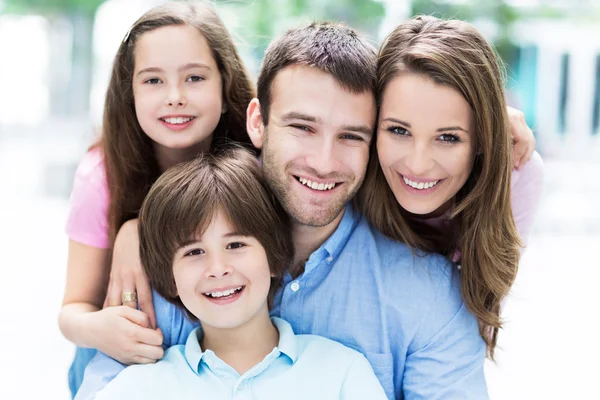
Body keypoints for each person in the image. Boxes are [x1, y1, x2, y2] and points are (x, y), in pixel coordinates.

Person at [78, 20, 493, 400]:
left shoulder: (425, 297)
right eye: (302, 127)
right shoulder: (171, 262)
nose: (324, 161)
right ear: (257, 122)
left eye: (351, 136)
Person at [58, 2, 256, 396]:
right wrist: (102, 329)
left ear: (224, 82)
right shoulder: (103, 175)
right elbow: (71, 312)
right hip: (121, 369)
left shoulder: (255, 161)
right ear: (129, 92)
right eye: (153, 81)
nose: (175, 97)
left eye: (195, 77)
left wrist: (140, 230)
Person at [93, 147, 387, 399]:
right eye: (194, 252)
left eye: (235, 244)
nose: (218, 269)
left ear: (274, 258)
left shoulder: (342, 374)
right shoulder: (137, 389)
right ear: (169, 279)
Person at [358, 15, 545, 359]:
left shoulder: (517, 173)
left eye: (447, 137)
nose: (417, 163)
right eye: (399, 131)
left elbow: (470, 335)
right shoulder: (349, 160)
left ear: (481, 140)